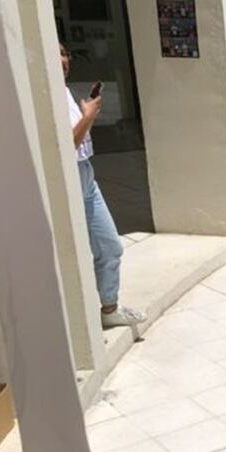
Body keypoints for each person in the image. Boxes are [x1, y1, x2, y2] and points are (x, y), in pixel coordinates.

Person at [61, 44, 146, 329]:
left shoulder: (64, 92)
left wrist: (86, 114)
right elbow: (64, 146)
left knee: (110, 244)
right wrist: (89, 115)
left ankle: (109, 308)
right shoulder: (45, 97)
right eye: (55, 53)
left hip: (85, 173)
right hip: (67, 177)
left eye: (65, 54)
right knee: (72, 252)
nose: (63, 60)